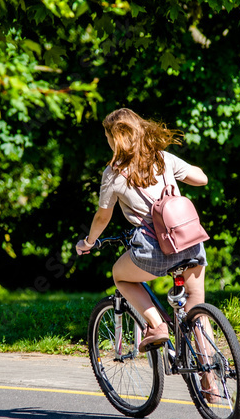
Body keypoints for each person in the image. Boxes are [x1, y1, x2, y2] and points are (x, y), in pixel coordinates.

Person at [75, 107, 209, 355]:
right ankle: (210, 379)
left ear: (115, 139)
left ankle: (157, 326)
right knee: (196, 304)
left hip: (155, 250)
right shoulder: (163, 158)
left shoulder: (113, 174)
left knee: (120, 275)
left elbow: (103, 216)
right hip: (191, 241)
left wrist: (89, 242)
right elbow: (201, 179)